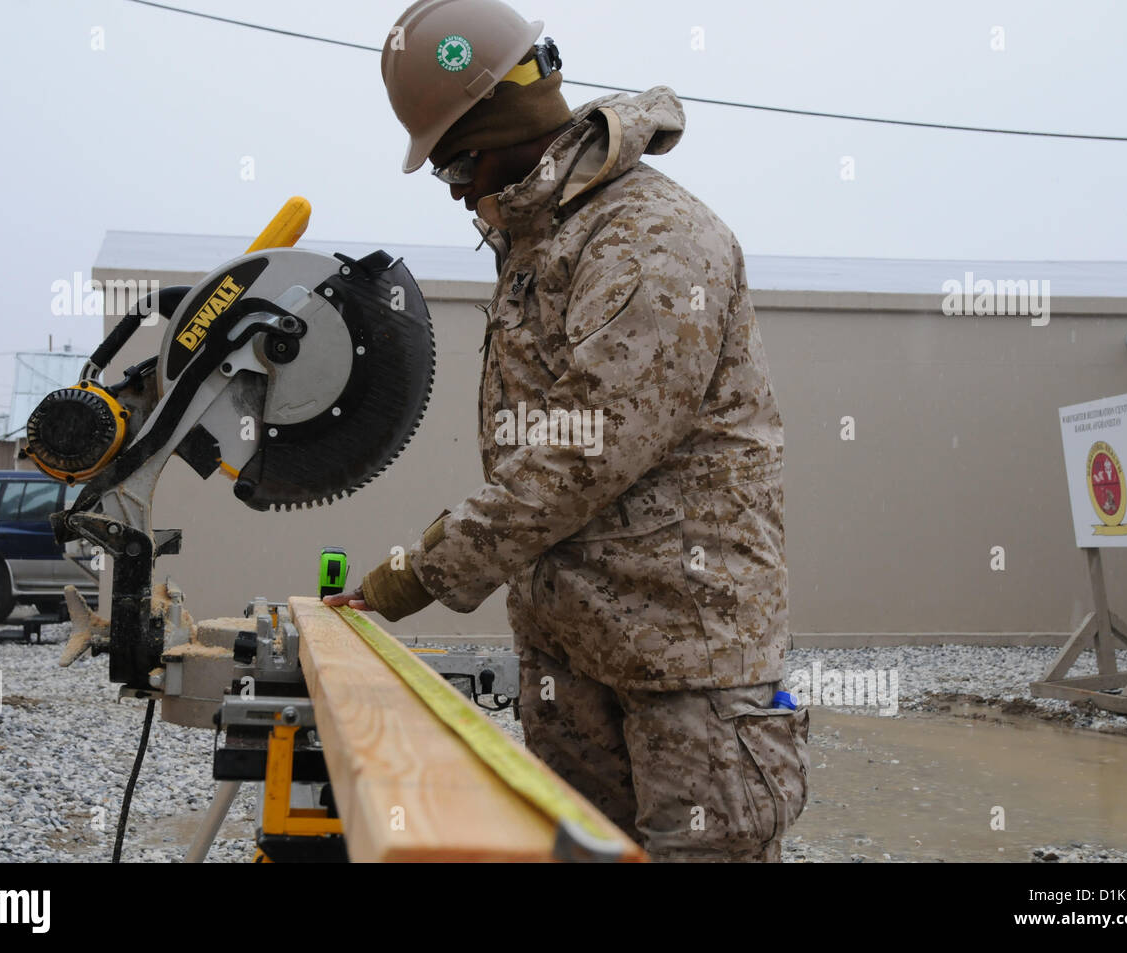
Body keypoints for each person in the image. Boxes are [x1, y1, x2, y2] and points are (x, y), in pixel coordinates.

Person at [326, 0, 808, 862]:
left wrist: (416, 572)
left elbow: (582, 450)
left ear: (508, 124)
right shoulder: (543, 237)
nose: (463, 192)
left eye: (459, 165)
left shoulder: (652, 239)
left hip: (688, 671)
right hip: (573, 658)